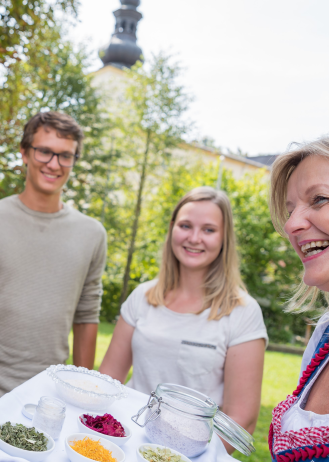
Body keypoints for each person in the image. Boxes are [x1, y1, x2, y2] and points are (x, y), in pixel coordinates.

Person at [59, 125, 329, 462]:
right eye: (291, 209)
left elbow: (240, 418)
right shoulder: (328, 336)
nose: (292, 224)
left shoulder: (243, 312)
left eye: (320, 199)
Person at [0, 111, 107, 462]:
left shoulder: (91, 234)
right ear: (24, 153)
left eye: (65, 155)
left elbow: (87, 315)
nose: (54, 164)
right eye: (44, 151)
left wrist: (79, 401)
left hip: (43, 406)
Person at [99, 186, 267, 448]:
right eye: (186, 225)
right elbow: (107, 380)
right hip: (123, 442)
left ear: (224, 238)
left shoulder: (242, 311)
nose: (195, 238)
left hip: (189, 460)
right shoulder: (142, 296)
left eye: (209, 230)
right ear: (172, 229)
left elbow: (241, 421)